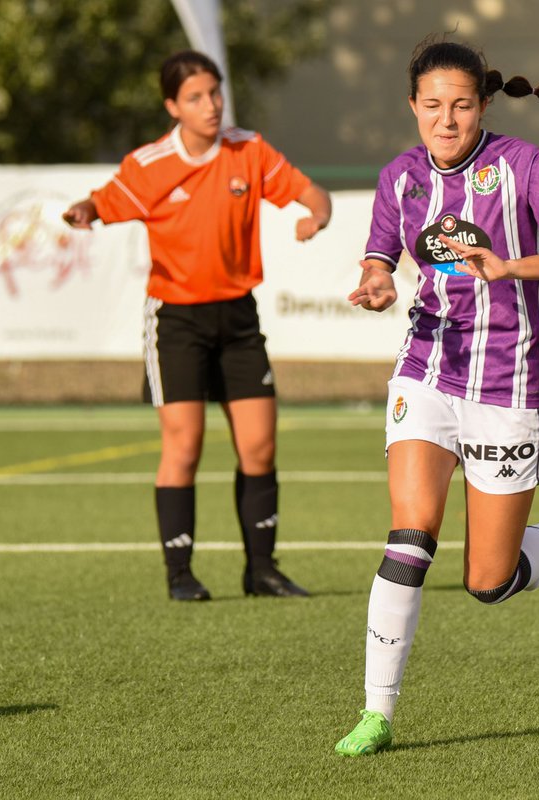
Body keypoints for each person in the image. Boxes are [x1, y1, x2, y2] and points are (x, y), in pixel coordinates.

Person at [332, 38, 539, 757]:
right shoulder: (400, 178)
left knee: (489, 581)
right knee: (409, 535)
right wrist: (376, 284)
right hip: (425, 370)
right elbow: (378, 260)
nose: (445, 120)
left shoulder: (522, 165)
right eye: (432, 106)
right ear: (413, 108)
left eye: (460, 105)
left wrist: (509, 265)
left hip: (508, 384)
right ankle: (377, 713)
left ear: (482, 103)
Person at [62, 50, 332, 602]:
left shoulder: (247, 149)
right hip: (177, 319)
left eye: (214, 92)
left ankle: (262, 571)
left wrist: (316, 215)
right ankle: (180, 575)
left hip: (238, 317)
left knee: (259, 446)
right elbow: (103, 200)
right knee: (184, 446)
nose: (210, 105)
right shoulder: (151, 164)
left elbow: (313, 194)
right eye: (195, 97)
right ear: (172, 106)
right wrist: (86, 211)